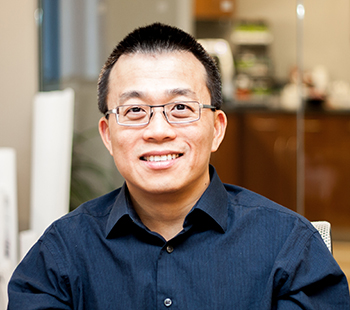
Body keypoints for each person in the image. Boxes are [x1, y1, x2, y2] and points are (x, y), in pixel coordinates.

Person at [8, 23, 350, 309]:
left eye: (181, 108)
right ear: (108, 135)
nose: (158, 131)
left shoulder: (290, 246)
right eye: (135, 111)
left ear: (216, 129)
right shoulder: (60, 253)